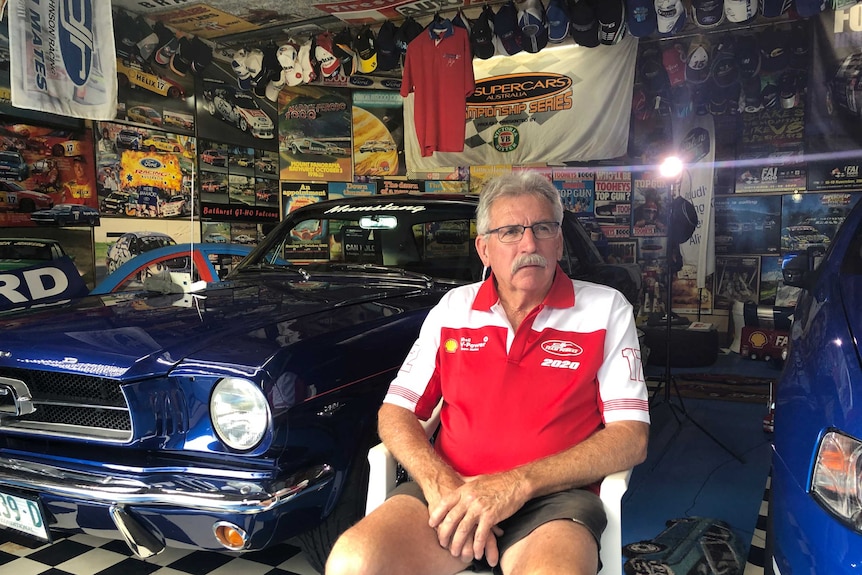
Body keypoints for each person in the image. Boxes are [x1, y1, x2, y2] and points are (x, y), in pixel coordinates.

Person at [326, 172, 650, 575]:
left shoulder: (606, 310)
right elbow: (395, 412)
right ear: (484, 249)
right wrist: (439, 481)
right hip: (452, 491)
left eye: (543, 228)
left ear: (559, 241)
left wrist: (516, 485)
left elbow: (631, 438)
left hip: (553, 500)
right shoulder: (452, 310)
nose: (529, 244)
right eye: (510, 231)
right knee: (353, 561)